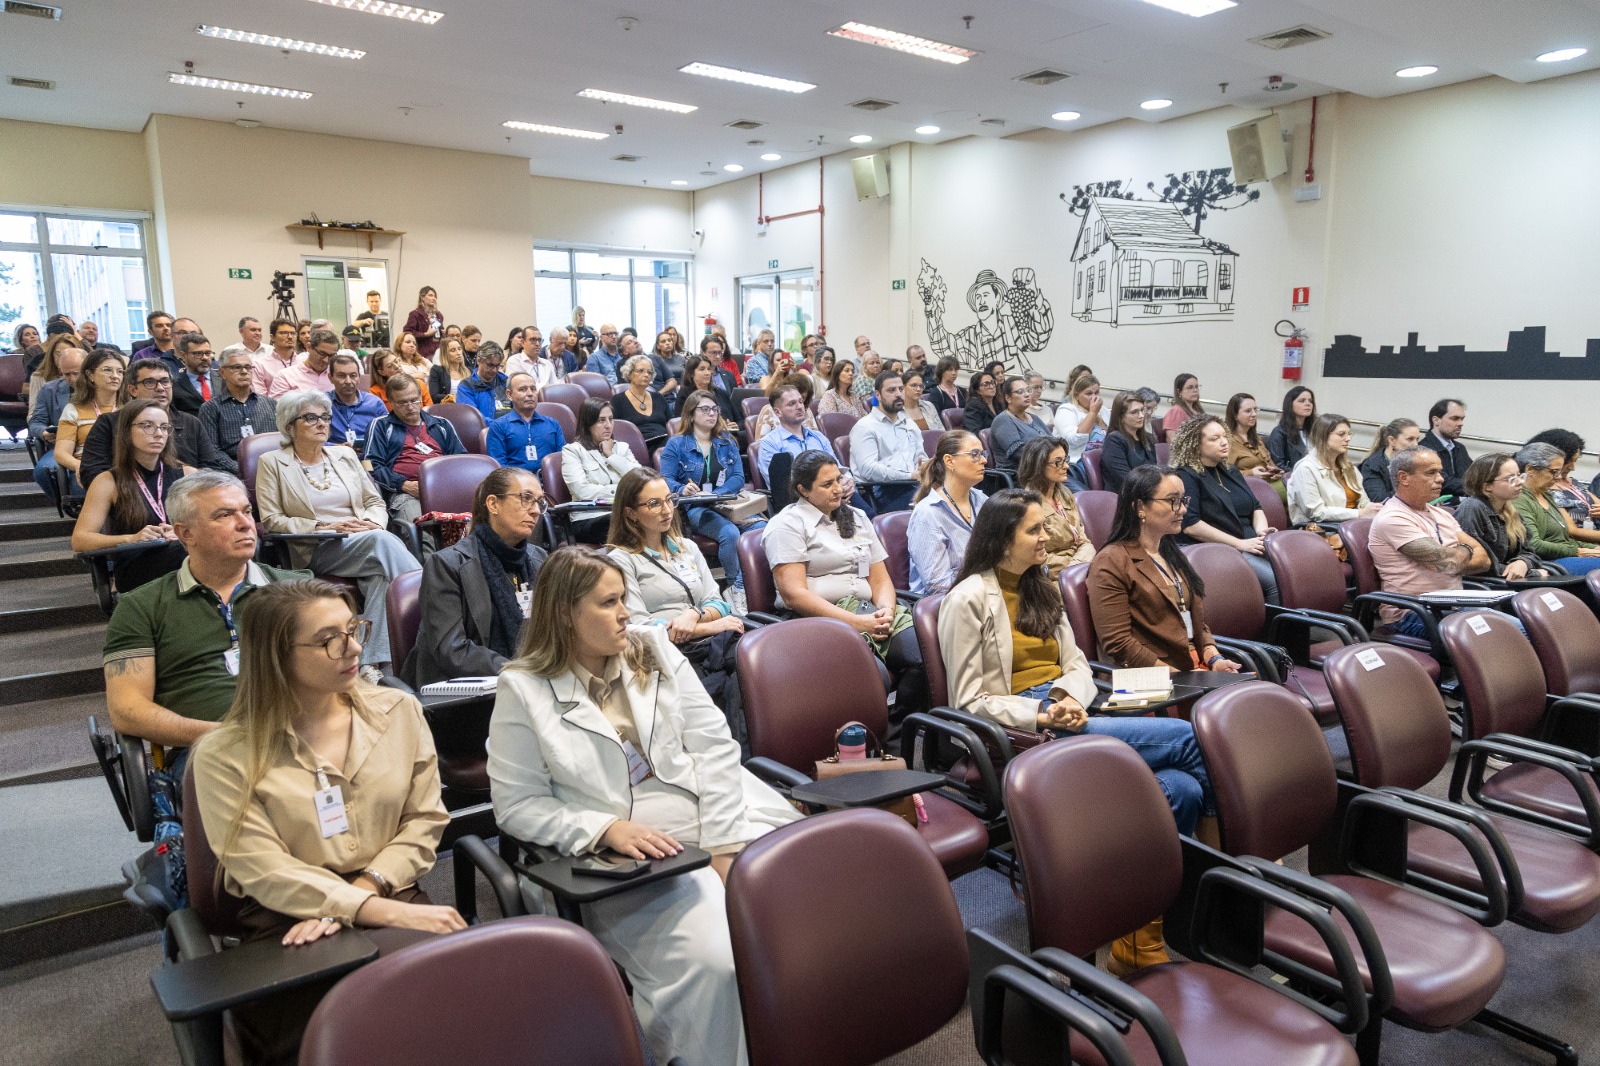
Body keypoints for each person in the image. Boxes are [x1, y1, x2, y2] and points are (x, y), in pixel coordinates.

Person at [487, 546, 799, 1066]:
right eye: (609, 603)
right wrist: (603, 827)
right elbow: (516, 806)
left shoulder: (651, 648)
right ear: (565, 613)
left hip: (717, 812)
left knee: (802, 914)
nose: (626, 612)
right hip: (630, 859)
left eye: (624, 598)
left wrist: (724, 845)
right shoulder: (523, 689)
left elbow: (714, 746)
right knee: (714, 962)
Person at [191, 579, 463, 1065]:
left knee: (453, 1017)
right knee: (326, 1038)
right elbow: (263, 870)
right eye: (328, 639)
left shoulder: (398, 711)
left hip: (389, 887)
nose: (354, 647)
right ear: (275, 655)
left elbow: (424, 820)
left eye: (353, 628)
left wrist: (365, 892)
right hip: (286, 921)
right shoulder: (223, 753)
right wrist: (374, 909)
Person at [104, 472, 309, 783]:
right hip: (209, 750)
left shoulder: (299, 590)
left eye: (247, 511)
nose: (245, 523)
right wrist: (225, 735)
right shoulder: (141, 606)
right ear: (186, 533)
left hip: (306, 736)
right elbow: (127, 709)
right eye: (224, 515)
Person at [255, 389, 421, 675]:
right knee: (381, 542)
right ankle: (432, 606)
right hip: (315, 546)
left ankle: (375, 666)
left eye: (325, 417)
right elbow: (272, 519)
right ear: (289, 425)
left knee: (382, 579)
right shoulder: (272, 463)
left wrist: (372, 522)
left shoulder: (343, 455)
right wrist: (323, 526)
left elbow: (374, 501)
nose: (322, 423)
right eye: (310, 418)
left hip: (365, 539)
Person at [764, 450, 923, 712]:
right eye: (827, 484)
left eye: (838, 479)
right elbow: (794, 595)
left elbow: (880, 579)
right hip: (817, 621)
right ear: (803, 490)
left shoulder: (857, 517)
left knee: (928, 656)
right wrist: (856, 622)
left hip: (868, 612)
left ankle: (900, 730)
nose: (838, 489)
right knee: (874, 678)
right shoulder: (787, 525)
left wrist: (886, 611)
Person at [1088, 465, 1245, 674]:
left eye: (1183, 500)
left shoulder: (1171, 552)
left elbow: (1196, 621)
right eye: (1173, 501)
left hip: (1194, 669)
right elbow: (1119, 644)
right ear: (1140, 507)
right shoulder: (1111, 561)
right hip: (1154, 679)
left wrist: (1214, 658)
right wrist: (1180, 676)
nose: (1183, 509)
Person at [404, 467, 548, 688]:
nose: (536, 510)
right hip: (462, 694)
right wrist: (520, 671)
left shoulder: (539, 560)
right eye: (526, 498)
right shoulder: (447, 564)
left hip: (530, 682)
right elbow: (452, 649)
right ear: (493, 504)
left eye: (539, 502)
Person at [606, 470, 745, 694]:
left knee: (760, 663)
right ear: (631, 513)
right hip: (663, 653)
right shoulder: (621, 560)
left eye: (670, 499)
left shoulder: (686, 547)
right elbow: (640, 628)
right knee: (737, 682)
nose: (667, 510)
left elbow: (718, 603)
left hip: (711, 643)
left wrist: (694, 615)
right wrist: (707, 627)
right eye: (654, 503)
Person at [1368, 447, 1493, 636]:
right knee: (1513, 635)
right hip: (1413, 612)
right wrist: (1467, 547)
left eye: (1440, 472)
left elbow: (1484, 560)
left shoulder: (1441, 514)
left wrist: (1456, 555)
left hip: (1455, 606)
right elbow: (1447, 563)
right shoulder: (1393, 518)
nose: (1441, 479)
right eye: (1431, 473)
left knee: (1528, 629)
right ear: (1404, 478)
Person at [659, 390, 765, 613]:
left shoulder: (726, 441)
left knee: (762, 528)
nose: (711, 413)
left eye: (714, 409)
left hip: (726, 504)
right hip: (695, 508)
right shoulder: (676, 444)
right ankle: (736, 588)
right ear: (690, 414)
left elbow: (737, 476)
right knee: (730, 534)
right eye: (704, 409)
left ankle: (762, 584)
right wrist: (682, 488)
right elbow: (664, 480)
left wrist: (720, 494)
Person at [70, 400, 191, 592]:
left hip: (182, 554)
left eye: (164, 427)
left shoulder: (187, 474)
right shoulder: (108, 481)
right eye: (147, 426)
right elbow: (80, 540)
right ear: (126, 432)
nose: (159, 434)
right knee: (191, 554)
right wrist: (132, 538)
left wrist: (183, 532)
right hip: (136, 565)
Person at [1169, 415, 1279, 604]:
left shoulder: (1230, 470)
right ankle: (1273, 633)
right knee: (1276, 582)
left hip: (1249, 541)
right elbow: (1191, 525)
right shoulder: (1186, 476)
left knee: (1295, 571)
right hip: (1218, 547)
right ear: (1196, 445)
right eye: (1214, 439)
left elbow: (1255, 507)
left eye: (1224, 436)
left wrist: (1261, 531)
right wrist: (1239, 544)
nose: (1223, 442)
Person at [79, 357, 233, 487]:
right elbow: (91, 473)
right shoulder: (110, 423)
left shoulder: (190, 422)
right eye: (150, 382)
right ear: (132, 390)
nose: (160, 388)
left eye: (165, 381)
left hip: (186, 498)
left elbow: (211, 469)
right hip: (130, 500)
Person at [363, 374, 466, 525]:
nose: (410, 407)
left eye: (414, 400)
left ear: (421, 397)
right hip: (405, 493)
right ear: (390, 403)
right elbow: (368, 464)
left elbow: (461, 461)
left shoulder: (442, 425)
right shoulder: (380, 426)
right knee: (422, 528)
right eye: (402, 403)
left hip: (445, 490)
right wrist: (402, 484)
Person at [906, 430, 989, 596]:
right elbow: (938, 585)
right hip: (948, 605)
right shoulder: (928, 514)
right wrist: (988, 585)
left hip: (985, 593)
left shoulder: (981, 500)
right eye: (975, 454)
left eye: (982, 453)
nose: (984, 460)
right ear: (949, 461)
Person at [1455, 454, 1548, 582]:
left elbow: (1530, 551)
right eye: (1510, 479)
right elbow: (1479, 564)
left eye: (1519, 476)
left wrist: (1523, 563)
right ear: (1487, 486)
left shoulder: (1510, 510)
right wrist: (1533, 573)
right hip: (1485, 585)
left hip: (1506, 581)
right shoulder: (1472, 508)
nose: (1520, 482)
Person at [561, 397, 640, 543]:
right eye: (601, 420)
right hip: (588, 518)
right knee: (624, 520)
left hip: (622, 513)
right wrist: (624, 492)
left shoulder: (622, 448)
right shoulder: (573, 451)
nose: (608, 425)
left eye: (611, 419)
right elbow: (582, 491)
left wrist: (611, 455)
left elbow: (640, 480)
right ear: (588, 423)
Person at [1514, 441, 1600, 575]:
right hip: (1548, 562)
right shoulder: (1519, 499)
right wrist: (1578, 551)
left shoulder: (1547, 495)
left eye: (1559, 472)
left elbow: (1566, 538)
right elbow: (1534, 544)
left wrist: (1593, 547)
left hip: (1565, 557)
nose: (1559, 477)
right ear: (1529, 469)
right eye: (1553, 472)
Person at [849, 370, 928, 513]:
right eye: (891, 390)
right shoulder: (864, 427)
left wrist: (928, 467)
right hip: (883, 491)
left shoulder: (909, 425)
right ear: (878, 395)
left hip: (915, 485)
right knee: (928, 509)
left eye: (901, 389)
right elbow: (869, 470)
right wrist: (909, 476)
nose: (898, 394)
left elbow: (921, 458)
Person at [1015, 436, 1095, 577]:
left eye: (1065, 460)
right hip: (1050, 578)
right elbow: (1035, 559)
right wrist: (1075, 570)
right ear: (1038, 466)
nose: (1066, 466)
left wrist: (1076, 569)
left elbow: (1085, 542)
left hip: (1078, 568)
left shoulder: (1065, 494)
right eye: (1058, 462)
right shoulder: (1026, 505)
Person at [1287, 413, 1382, 525]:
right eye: (1341, 434)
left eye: (1349, 434)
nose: (1348, 439)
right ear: (1323, 436)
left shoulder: (1348, 467)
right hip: (1322, 530)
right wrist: (1359, 514)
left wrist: (1373, 508)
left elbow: (1363, 501)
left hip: (1351, 525)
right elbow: (1316, 512)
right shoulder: (1306, 468)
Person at [53, 349, 123, 498]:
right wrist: (79, 466)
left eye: (120, 371)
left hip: (125, 470)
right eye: (107, 370)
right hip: (90, 469)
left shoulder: (131, 408)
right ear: (90, 375)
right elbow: (61, 453)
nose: (115, 376)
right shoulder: (74, 409)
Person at [200, 349, 277, 463]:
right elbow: (213, 450)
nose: (244, 371)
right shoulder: (210, 408)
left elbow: (282, 441)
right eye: (237, 367)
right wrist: (241, 470)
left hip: (270, 467)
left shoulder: (271, 404)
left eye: (248, 367)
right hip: (232, 472)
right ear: (222, 373)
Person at [29, 345, 83, 501]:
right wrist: (44, 432)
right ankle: (66, 504)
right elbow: (36, 422)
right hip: (61, 444)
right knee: (43, 470)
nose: (71, 379)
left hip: (91, 444)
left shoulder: (101, 389)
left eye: (75, 373)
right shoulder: (49, 389)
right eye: (66, 374)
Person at [1525, 428, 1599, 530]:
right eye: (1570, 461)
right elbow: (1572, 530)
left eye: (1575, 461)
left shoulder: (1572, 483)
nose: (1573, 468)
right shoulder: (1545, 488)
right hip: (1577, 543)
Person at [1223, 392, 1286, 501]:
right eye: (1248, 411)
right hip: (1247, 489)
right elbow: (1223, 474)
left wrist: (1275, 472)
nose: (1254, 414)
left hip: (1268, 485)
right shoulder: (1227, 441)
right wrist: (1251, 473)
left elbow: (1269, 462)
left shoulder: (1255, 438)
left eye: (1255, 410)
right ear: (1234, 415)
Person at [1100, 390, 1159, 492]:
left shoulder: (1147, 438)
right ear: (1121, 417)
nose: (1141, 415)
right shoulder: (1114, 440)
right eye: (1134, 412)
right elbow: (1125, 479)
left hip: (1146, 492)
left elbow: (1154, 471)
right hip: (1125, 497)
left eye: (1142, 410)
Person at [324, 353, 385, 451]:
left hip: (370, 457)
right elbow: (310, 438)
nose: (348, 381)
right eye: (341, 376)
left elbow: (388, 435)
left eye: (353, 376)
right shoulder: (322, 404)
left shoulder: (375, 403)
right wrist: (336, 447)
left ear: (359, 377)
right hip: (335, 457)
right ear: (330, 378)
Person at [990, 375, 1051, 471]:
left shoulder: (1034, 418)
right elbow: (1019, 453)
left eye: (1028, 390)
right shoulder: (1003, 420)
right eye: (1020, 392)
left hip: (1046, 469)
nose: (1027, 394)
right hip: (1020, 475)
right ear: (1008, 398)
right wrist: (1051, 458)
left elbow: (1054, 441)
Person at [613, 354, 671, 451]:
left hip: (665, 443)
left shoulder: (658, 397)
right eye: (641, 371)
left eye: (649, 372)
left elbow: (670, 424)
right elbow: (616, 431)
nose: (646, 375)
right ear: (630, 373)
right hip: (638, 447)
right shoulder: (618, 400)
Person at [1358, 418, 1422, 504]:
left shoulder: (1416, 461)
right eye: (1410, 439)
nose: (1415, 444)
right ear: (1392, 440)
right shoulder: (1372, 465)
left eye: (1417, 439)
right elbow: (1380, 499)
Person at [1052, 372, 1108, 467]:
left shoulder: (1104, 410)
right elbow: (1073, 441)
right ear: (1076, 395)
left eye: (1097, 392)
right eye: (1089, 393)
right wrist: (1093, 413)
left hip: (1104, 460)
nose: (1094, 397)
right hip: (1076, 464)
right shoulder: (1066, 410)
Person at [1420, 398, 1471, 500]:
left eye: (1462, 419)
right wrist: (1478, 487)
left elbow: (1474, 473)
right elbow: (1444, 482)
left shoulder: (1460, 448)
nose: (1461, 423)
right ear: (1436, 420)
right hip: (1438, 506)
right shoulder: (1423, 450)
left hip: (1464, 502)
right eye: (1455, 418)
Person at [674, 354, 741, 431]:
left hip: (729, 434)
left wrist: (736, 426)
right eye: (702, 369)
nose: (707, 373)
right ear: (692, 373)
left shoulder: (720, 393)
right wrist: (717, 426)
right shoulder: (685, 394)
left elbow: (740, 420)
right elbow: (682, 423)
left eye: (709, 369)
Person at [268, 328, 336, 399]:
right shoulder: (286, 377)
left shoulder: (339, 375)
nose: (326, 360)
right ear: (309, 347)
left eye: (331, 356)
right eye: (322, 354)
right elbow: (277, 408)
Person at [751, 370, 818, 440]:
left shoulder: (807, 410)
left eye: (801, 399)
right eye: (792, 401)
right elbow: (760, 445)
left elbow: (818, 440)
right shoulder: (769, 411)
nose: (799, 405)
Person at [169, 333, 221, 417]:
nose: (204, 358)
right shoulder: (174, 385)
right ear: (183, 355)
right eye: (198, 354)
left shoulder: (224, 380)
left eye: (208, 353)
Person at [1268, 386, 1316, 473]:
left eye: (1310, 401)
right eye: (1302, 401)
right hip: (1292, 478)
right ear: (1290, 405)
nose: (1308, 404)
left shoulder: (1314, 430)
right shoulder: (1279, 432)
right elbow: (1278, 465)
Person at [251, 319, 300, 398]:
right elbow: (260, 398)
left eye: (293, 333)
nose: (290, 337)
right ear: (272, 337)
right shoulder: (260, 365)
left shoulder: (302, 362)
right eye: (284, 333)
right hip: (273, 408)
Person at [402, 285, 443, 361]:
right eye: (430, 295)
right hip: (422, 353)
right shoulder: (415, 314)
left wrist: (443, 333)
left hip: (438, 352)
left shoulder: (438, 315)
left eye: (435, 296)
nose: (434, 298)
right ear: (422, 297)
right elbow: (407, 332)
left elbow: (439, 333)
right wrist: (426, 334)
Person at [428, 336, 472, 404]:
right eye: (453, 350)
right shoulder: (437, 370)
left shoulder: (469, 371)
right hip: (446, 408)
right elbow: (434, 396)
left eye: (459, 349)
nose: (458, 353)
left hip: (467, 408)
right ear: (445, 354)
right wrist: (454, 397)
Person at [649, 330, 687, 398]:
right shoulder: (656, 361)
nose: (667, 343)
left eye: (669, 340)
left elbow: (689, 375)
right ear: (658, 346)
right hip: (667, 392)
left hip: (683, 389)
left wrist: (682, 386)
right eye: (663, 341)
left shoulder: (681, 358)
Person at [902, 368, 941, 432]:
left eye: (921, 386)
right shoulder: (897, 411)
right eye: (914, 385)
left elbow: (940, 431)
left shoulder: (929, 406)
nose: (918, 389)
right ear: (903, 387)